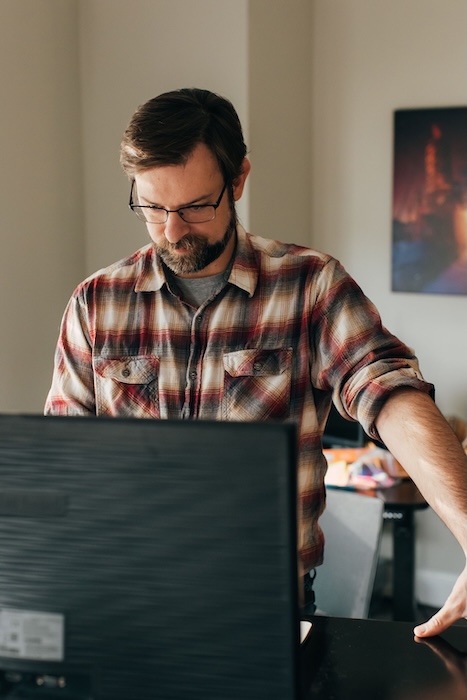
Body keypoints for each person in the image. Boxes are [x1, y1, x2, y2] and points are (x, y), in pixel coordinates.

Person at [45, 88, 467, 635]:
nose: (171, 231)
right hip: (126, 602)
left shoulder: (310, 285)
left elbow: (388, 391)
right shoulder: (95, 304)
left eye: (196, 206)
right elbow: (62, 463)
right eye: (151, 207)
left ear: (238, 179)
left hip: (266, 611)